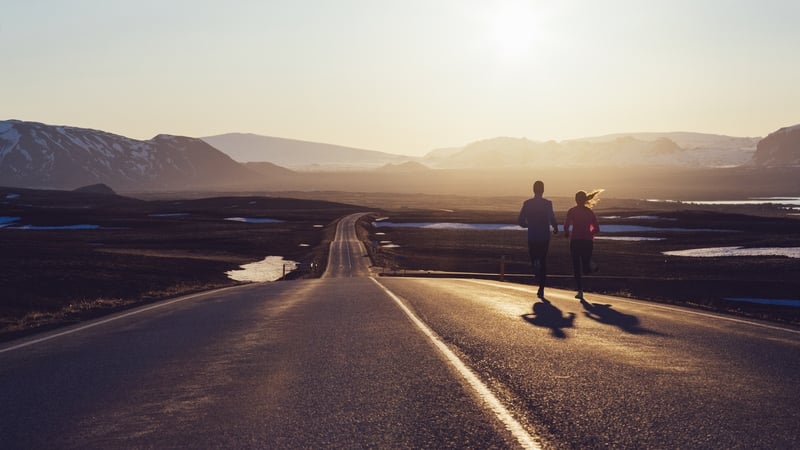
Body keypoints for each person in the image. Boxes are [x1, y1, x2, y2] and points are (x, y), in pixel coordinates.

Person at [518, 180, 559, 299]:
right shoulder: (547, 204)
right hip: (544, 237)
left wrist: (528, 225)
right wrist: (555, 227)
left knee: (534, 256)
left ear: (533, 190)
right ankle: (541, 289)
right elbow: (552, 217)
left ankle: (535, 263)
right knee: (543, 261)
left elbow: (520, 221)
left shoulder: (527, 204)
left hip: (532, 236)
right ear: (543, 190)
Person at [564, 189, 602, 300]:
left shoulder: (572, 211)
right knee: (585, 268)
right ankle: (591, 265)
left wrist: (567, 233)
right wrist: (590, 232)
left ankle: (580, 290)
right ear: (585, 200)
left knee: (576, 266)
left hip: (575, 241)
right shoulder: (589, 212)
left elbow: (566, 225)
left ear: (576, 200)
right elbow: (597, 229)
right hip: (587, 242)